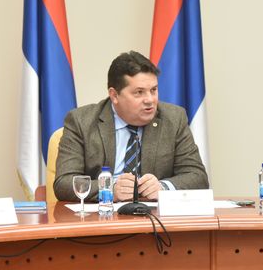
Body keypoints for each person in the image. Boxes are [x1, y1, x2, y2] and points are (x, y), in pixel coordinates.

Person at [54, 51, 208, 202]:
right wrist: (109, 189)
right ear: (114, 95)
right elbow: (64, 183)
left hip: (153, 215)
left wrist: (163, 187)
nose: (150, 100)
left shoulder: (174, 119)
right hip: (103, 214)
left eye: (153, 90)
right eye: (139, 92)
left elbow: (197, 176)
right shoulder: (81, 122)